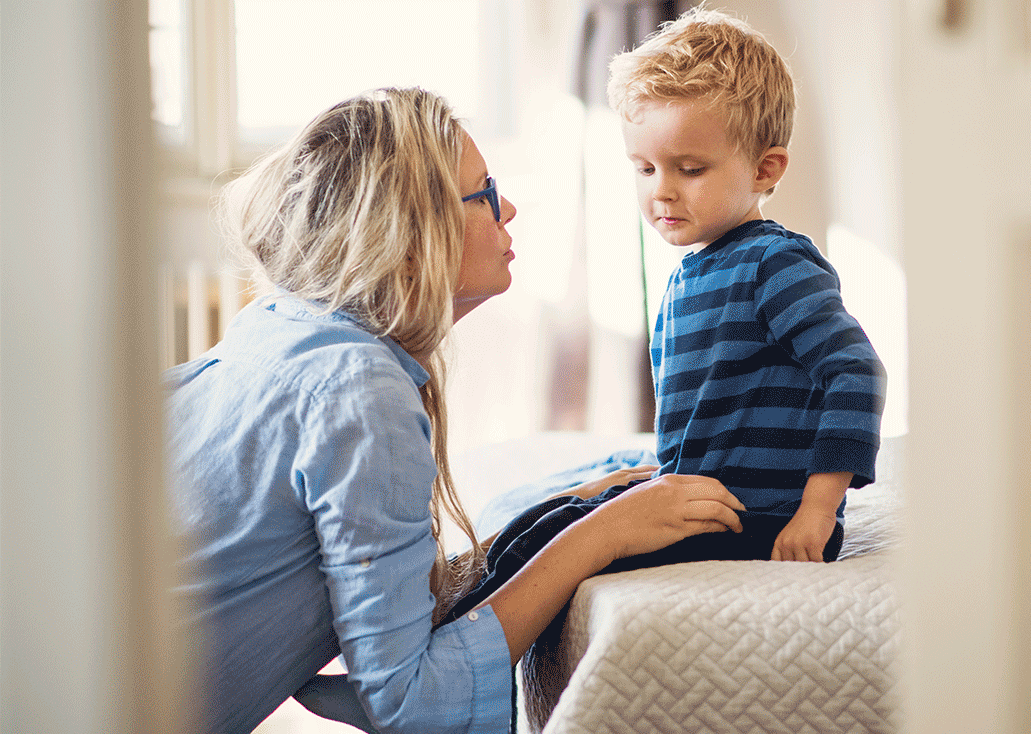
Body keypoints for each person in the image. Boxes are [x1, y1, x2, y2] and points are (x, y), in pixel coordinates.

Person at [164, 87, 745, 734]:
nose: (510, 208)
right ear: (409, 241)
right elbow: (412, 703)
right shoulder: (358, 389)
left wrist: (566, 512)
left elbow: (392, 595)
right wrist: (603, 534)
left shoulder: (276, 330)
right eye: (484, 193)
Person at [609, 7, 886, 563]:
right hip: (704, 508)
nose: (661, 191)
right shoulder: (687, 279)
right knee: (565, 512)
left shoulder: (773, 264)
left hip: (760, 520)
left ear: (764, 170)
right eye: (644, 168)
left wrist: (817, 511)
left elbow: (856, 373)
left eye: (689, 169)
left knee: (563, 537)